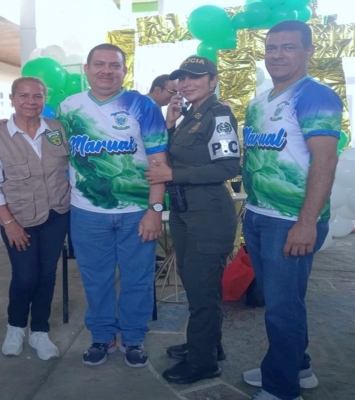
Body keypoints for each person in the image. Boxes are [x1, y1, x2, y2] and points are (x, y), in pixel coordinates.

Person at [240, 20, 341, 400]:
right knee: (283, 303)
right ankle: (297, 367)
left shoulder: (315, 96)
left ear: (309, 51)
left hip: (290, 221)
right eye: (272, 47)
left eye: (288, 47)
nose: (277, 55)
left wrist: (307, 222)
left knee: (281, 309)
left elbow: (325, 161)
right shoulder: (259, 102)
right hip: (259, 214)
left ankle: (282, 389)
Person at [58, 43, 168, 368]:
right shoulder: (68, 107)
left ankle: (133, 337)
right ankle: (102, 336)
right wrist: (2, 125)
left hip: (137, 212)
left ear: (124, 71)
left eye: (114, 65)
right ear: (87, 69)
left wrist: (155, 210)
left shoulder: (143, 105)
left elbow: (159, 162)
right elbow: (43, 138)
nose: (106, 71)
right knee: (96, 279)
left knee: (138, 278)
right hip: (87, 213)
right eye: (99, 64)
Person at [145, 56, 241, 384]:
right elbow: (176, 153)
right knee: (197, 286)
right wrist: (170, 124)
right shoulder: (190, 115)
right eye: (182, 78)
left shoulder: (219, 115)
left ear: (213, 81)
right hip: (185, 212)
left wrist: (173, 175)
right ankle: (209, 346)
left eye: (195, 77)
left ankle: (203, 363)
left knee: (202, 291)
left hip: (208, 215)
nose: (186, 83)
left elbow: (228, 167)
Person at [0, 76, 70, 361]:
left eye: (37, 96)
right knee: (25, 276)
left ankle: (40, 331)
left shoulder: (57, 129)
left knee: (47, 274)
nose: (31, 101)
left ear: (45, 99)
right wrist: (9, 224)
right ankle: (16, 326)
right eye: (23, 95)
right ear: (12, 99)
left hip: (57, 214)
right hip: (19, 219)